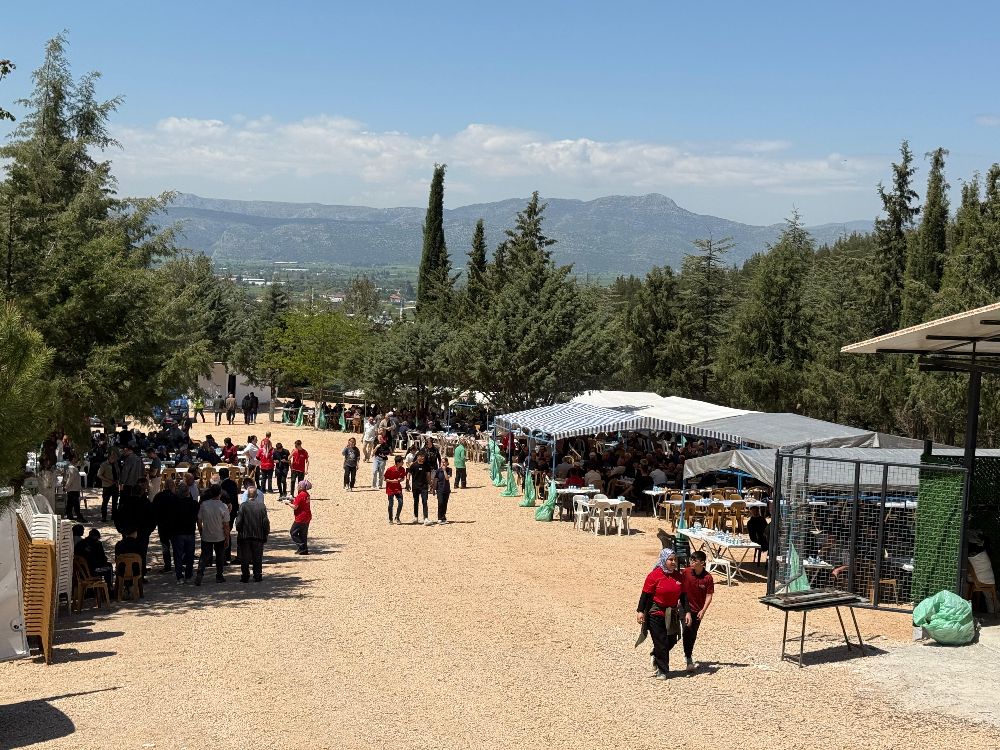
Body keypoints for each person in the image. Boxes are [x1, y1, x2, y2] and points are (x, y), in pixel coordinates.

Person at [636, 548, 685, 680]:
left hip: (672, 612)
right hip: (655, 611)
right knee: (661, 640)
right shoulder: (654, 575)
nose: (673, 562)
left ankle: (656, 654)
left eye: (675, 560)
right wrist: (640, 611)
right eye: (670, 560)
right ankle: (662, 671)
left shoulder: (679, 576)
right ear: (664, 560)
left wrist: (687, 612)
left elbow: (684, 596)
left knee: (672, 639)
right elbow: (645, 595)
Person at [680, 550, 714, 672]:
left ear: (702, 563)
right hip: (684, 607)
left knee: (693, 633)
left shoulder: (708, 578)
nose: (691, 562)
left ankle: (688, 653)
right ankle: (688, 658)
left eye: (694, 561)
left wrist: (703, 610)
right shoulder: (686, 572)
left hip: (698, 610)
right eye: (691, 560)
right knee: (686, 629)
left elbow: (709, 595)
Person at [163, 479, 199, 583]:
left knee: (178, 555)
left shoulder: (173, 504)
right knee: (190, 555)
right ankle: (188, 575)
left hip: (177, 532)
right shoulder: (193, 504)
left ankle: (179, 577)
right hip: (189, 531)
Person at [195, 486, 230, 586]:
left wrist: (201, 531)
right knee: (220, 556)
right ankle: (219, 576)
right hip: (219, 535)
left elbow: (199, 520)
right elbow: (226, 525)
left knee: (204, 556)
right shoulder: (223, 506)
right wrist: (227, 537)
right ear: (220, 494)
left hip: (207, 534)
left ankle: (200, 574)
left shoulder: (204, 505)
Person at [235, 487, 270, 582]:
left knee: (245, 557)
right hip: (258, 535)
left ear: (247, 495)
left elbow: (239, 522)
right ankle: (257, 575)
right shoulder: (261, 506)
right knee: (257, 557)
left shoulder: (243, 506)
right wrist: (266, 532)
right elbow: (265, 522)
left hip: (245, 535)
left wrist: (239, 530)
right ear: (257, 495)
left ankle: (245, 576)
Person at [151, 478, 178, 573]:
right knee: (176, 546)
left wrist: (156, 522)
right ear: (172, 486)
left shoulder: (158, 496)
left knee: (165, 546)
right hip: (174, 525)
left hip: (162, 526)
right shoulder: (175, 497)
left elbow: (154, 511)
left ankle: (168, 565)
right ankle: (177, 565)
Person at [287, 479, 312, 555]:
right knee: (303, 534)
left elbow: (295, 507)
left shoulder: (300, 495)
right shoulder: (306, 494)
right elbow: (300, 503)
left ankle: (302, 547)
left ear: (301, 487)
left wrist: (288, 503)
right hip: (307, 516)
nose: (297, 486)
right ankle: (304, 550)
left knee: (293, 532)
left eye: (298, 485)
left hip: (301, 517)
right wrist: (293, 500)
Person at [408, 451, 432, 525]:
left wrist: (430, 484)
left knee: (424, 501)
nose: (422, 458)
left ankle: (426, 518)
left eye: (423, 457)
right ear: (417, 457)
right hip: (415, 486)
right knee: (416, 502)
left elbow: (428, 475)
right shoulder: (413, 465)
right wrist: (407, 483)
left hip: (424, 486)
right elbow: (409, 473)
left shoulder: (427, 465)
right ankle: (416, 517)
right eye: (421, 456)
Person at [97, 452, 119, 522]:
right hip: (107, 486)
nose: (114, 459)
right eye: (112, 457)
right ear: (109, 457)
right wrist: (108, 480)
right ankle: (104, 517)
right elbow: (99, 475)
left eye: (115, 458)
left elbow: (117, 473)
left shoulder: (116, 464)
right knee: (105, 502)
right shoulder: (104, 464)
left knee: (115, 502)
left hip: (115, 485)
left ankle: (114, 516)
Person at [384, 455, 406, 524]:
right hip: (390, 489)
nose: (403, 463)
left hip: (398, 488)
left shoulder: (402, 469)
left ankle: (397, 517)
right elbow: (385, 479)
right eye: (402, 462)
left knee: (401, 502)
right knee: (391, 504)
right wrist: (392, 481)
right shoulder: (390, 469)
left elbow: (403, 478)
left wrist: (400, 480)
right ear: (398, 462)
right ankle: (390, 519)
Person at [432, 457, 451, 524]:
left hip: (446, 489)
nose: (443, 463)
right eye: (442, 462)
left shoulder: (449, 470)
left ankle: (443, 517)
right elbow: (435, 480)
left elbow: (447, 478)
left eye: (444, 462)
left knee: (445, 504)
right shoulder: (438, 471)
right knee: (440, 503)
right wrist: (433, 489)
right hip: (439, 489)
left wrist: (444, 470)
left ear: (447, 463)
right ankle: (439, 518)